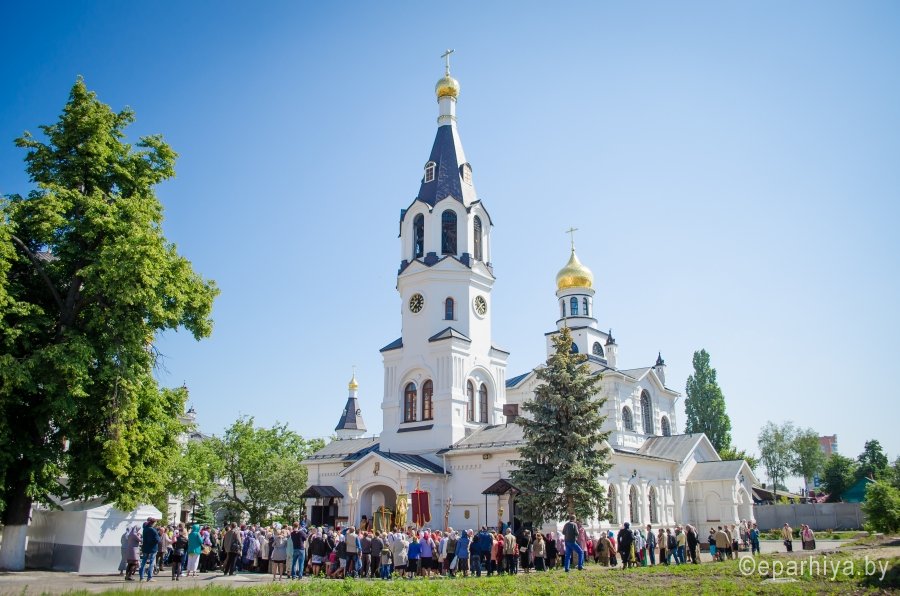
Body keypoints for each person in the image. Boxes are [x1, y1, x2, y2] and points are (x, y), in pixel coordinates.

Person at [139, 517, 160, 582]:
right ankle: (149, 577)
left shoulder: (145, 529)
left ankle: (141, 577)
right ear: (153, 523)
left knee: (143, 562)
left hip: (145, 548)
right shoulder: (153, 530)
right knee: (151, 563)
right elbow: (158, 540)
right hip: (153, 548)